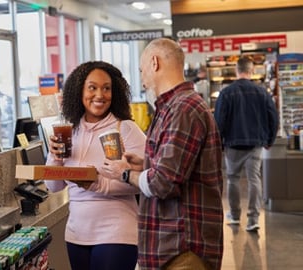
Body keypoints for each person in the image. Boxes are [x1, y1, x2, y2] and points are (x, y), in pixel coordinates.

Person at [101, 38, 224, 269]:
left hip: (182, 249)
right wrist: (144, 164)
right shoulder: (172, 107)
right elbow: (174, 168)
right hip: (170, 247)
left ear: (154, 63)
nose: (142, 79)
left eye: (141, 70)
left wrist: (125, 173)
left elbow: (163, 183)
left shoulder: (184, 109)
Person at [44, 61, 146, 270]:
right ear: (79, 91)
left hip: (117, 232)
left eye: (106, 88)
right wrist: (55, 157)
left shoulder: (125, 128)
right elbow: (53, 187)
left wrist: (97, 184)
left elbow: (145, 181)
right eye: (92, 87)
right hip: (76, 234)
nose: (100, 95)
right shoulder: (70, 131)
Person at [214, 56, 278, 232]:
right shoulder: (262, 92)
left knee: (233, 179)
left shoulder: (226, 93)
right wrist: (269, 140)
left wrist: (219, 144)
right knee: (254, 179)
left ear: (237, 70)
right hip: (256, 144)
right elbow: (273, 117)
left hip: (233, 145)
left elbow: (219, 121)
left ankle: (235, 215)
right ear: (252, 71)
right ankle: (253, 219)